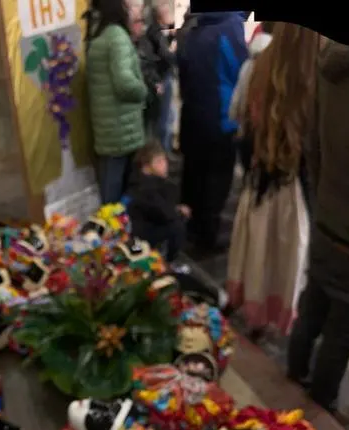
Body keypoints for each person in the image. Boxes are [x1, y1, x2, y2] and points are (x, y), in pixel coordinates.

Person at [225, 24, 317, 339]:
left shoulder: (260, 65)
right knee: (286, 253)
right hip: (296, 185)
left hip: (261, 177)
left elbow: (238, 116)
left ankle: (252, 309)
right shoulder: (315, 77)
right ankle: (272, 315)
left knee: (256, 247)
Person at [286, 38, 349, 417]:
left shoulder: (330, 62)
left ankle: (292, 375)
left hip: (328, 213)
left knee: (313, 306)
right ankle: (319, 407)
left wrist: (322, 194)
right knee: (343, 330)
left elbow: (311, 143)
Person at [177, 12, 248, 251]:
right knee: (217, 178)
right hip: (220, 115)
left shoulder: (193, 27)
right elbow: (240, 68)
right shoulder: (230, 26)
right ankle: (208, 236)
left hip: (193, 112)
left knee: (196, 173)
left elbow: (183, 69)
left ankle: (193, 226)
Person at [85, 0, 148, 204]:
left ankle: (108, 231)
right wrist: (143, 91)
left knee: (109, 190)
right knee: (120, 192)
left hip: (107, 127)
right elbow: (124, 83)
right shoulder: (117, 37)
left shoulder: (98, 35)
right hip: (122, 129)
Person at [127, 140, 189, 262]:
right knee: (177, 226)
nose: (165, 165)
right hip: (143, 235)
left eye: (164, 160)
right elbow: (165, 214)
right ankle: (170, 261)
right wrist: (179, 212)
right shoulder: (146, 189)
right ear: (146, 166)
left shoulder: (143, 181)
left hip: (147, 225)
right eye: (159, 162)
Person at [229, 21, 274, 171]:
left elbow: (237, 99)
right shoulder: (274, 70)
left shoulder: (247, 67)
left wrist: (235, 119)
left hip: (247, 130)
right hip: (265, 132)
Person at [138, 0, 175, 149]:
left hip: (160, 78)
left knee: (166, 119)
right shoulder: (155, 32)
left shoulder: (158, 31)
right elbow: (165, 56)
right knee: (163, 122)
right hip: (160, 79)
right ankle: (162, 155)